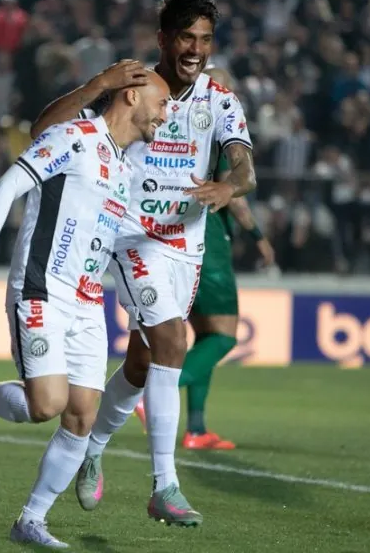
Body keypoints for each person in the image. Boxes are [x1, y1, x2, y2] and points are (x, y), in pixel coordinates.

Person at [31, 0, 257, 525]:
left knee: (140, 364)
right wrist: (97, 86)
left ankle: (92, 447)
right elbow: (44, 130)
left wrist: (228, 187)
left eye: (205, 40)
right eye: (186, 38)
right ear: (163, 39)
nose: (195, 49)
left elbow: (246, 169)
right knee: (174, 341)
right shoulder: (132, 86)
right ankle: (165, 485)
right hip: (130, 239)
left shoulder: (220, 100)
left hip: (186, 246)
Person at [0, 71, 170, 549]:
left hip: (88, 301)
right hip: (41, 288)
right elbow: (6, 185)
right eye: (162, 103)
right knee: (45, 405)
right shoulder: (74, 137)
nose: (166, 115)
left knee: (82, 416)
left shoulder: (124, 165)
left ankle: (31, 520)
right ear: (132, 95)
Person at [141, 65, 274, 450]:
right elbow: (235, 196)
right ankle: (152, 396)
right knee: (224, 336)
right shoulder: (219, 131)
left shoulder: (178, 126)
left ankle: (196, 429)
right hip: (209, 239)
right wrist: (259, 237)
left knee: (203, 336)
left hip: (174, 236)